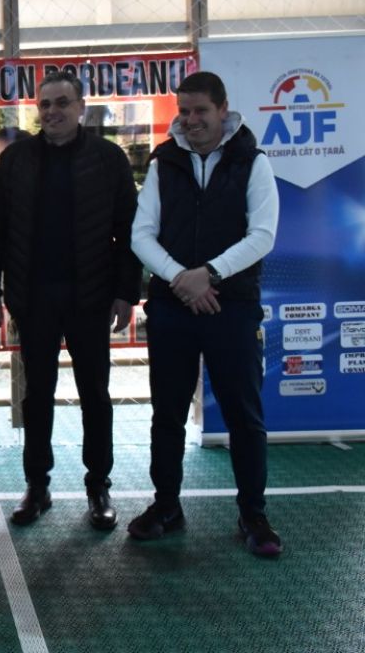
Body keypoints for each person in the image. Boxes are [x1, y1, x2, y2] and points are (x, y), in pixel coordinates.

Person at [128, 71, 282, 557]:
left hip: (232, 307)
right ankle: (166, 507)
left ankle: (253, 515)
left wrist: (209, 274)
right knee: (167, 414)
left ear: (223, 110)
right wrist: (182, 279)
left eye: (200, 111)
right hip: (173, 307)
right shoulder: (163, 162)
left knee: (244, 417)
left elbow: (263, 235)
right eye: (184, 111)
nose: (191, 120)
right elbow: (141, 234)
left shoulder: (253, 161)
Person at [0, 70, 140, 530]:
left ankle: (98, 486)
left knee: (96, 395)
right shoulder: (15, 160)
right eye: (45, 104)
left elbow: (129, 231)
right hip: (32, 297)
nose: (52, 112)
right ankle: (38, 485)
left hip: (92, 296)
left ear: (81, 107)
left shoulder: (109, 159)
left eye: (62, 103)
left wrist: (126, 292)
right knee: (37, 396)